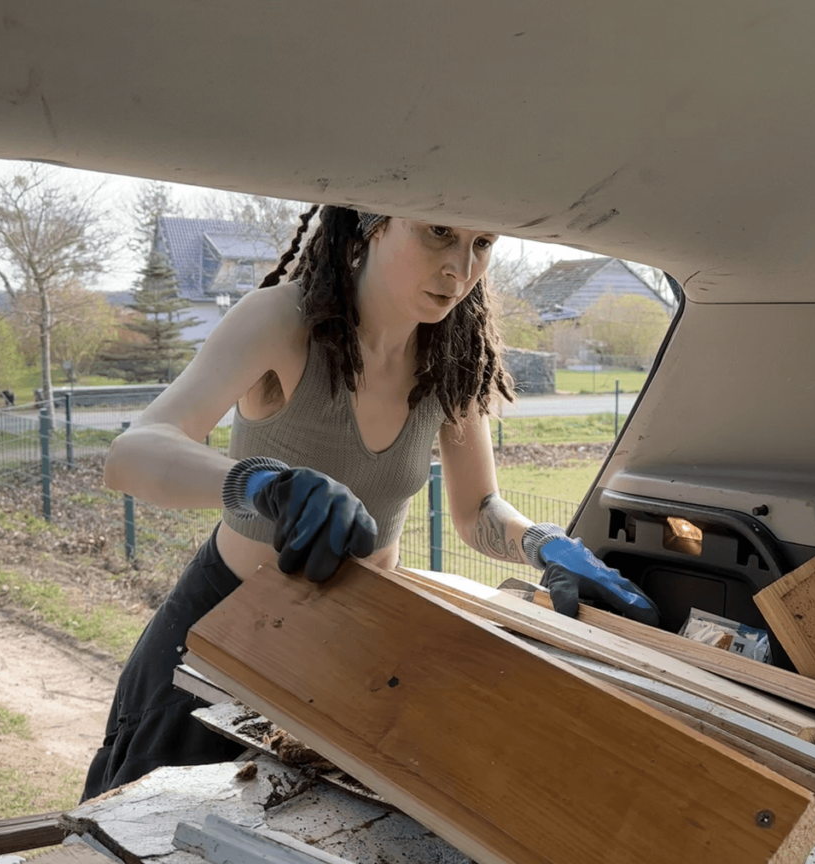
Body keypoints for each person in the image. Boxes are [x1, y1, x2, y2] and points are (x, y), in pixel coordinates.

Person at [82, 205, 659, 801]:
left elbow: (477, 509)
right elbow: (132, 454)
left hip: (355, 652)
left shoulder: (453, 353)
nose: (460, 268)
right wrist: (265, 485)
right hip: (217, 643)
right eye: (440, 232)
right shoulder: (282, 318)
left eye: (482, 243)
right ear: (372, 221)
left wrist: (541, 544)